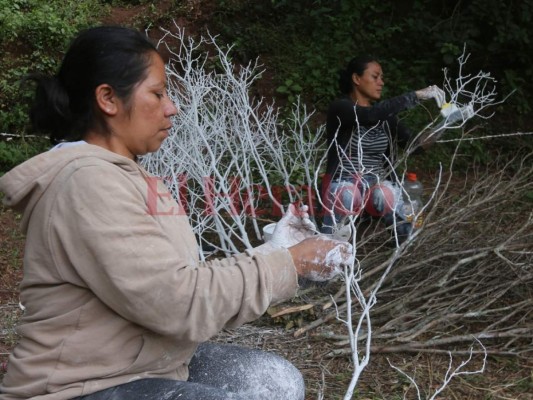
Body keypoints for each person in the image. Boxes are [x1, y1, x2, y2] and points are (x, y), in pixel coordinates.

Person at [0, 26, 353, 400]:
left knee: (274, 381)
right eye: (157, 93)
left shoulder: (131, 176)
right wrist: (290, 263)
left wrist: (276, 253)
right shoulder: (86, 182)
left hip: (145, 364)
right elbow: (178, 303)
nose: (172, 107)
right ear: (108, 99)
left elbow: (178, 278)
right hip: (79, 385)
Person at [320, 55, 444, 241]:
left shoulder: (386, 117)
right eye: (375, 77)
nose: (381, 83)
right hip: (343, 181)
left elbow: (415, 146)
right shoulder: (341, 108)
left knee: (386, 193)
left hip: (375, 184)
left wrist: (446, 123)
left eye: (382, 78)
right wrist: (415, 96)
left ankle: (405, 244)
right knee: (348, 193)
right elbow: (369, 115)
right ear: (356, 79)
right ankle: (326, 247)